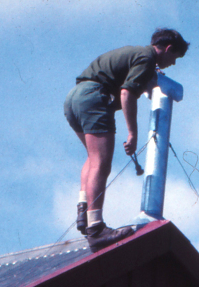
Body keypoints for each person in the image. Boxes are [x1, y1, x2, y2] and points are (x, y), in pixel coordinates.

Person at [64, 28, 189, 250]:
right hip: (94, 97)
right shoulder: (147, 58)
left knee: (93, 159)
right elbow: (126, 93)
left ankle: (84, 212)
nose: (173, 63)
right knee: (102, 163)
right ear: (168, 49)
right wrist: (132, 133)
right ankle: (96, 229)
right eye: (175, 57)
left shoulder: (136, 54)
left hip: (75, 98)